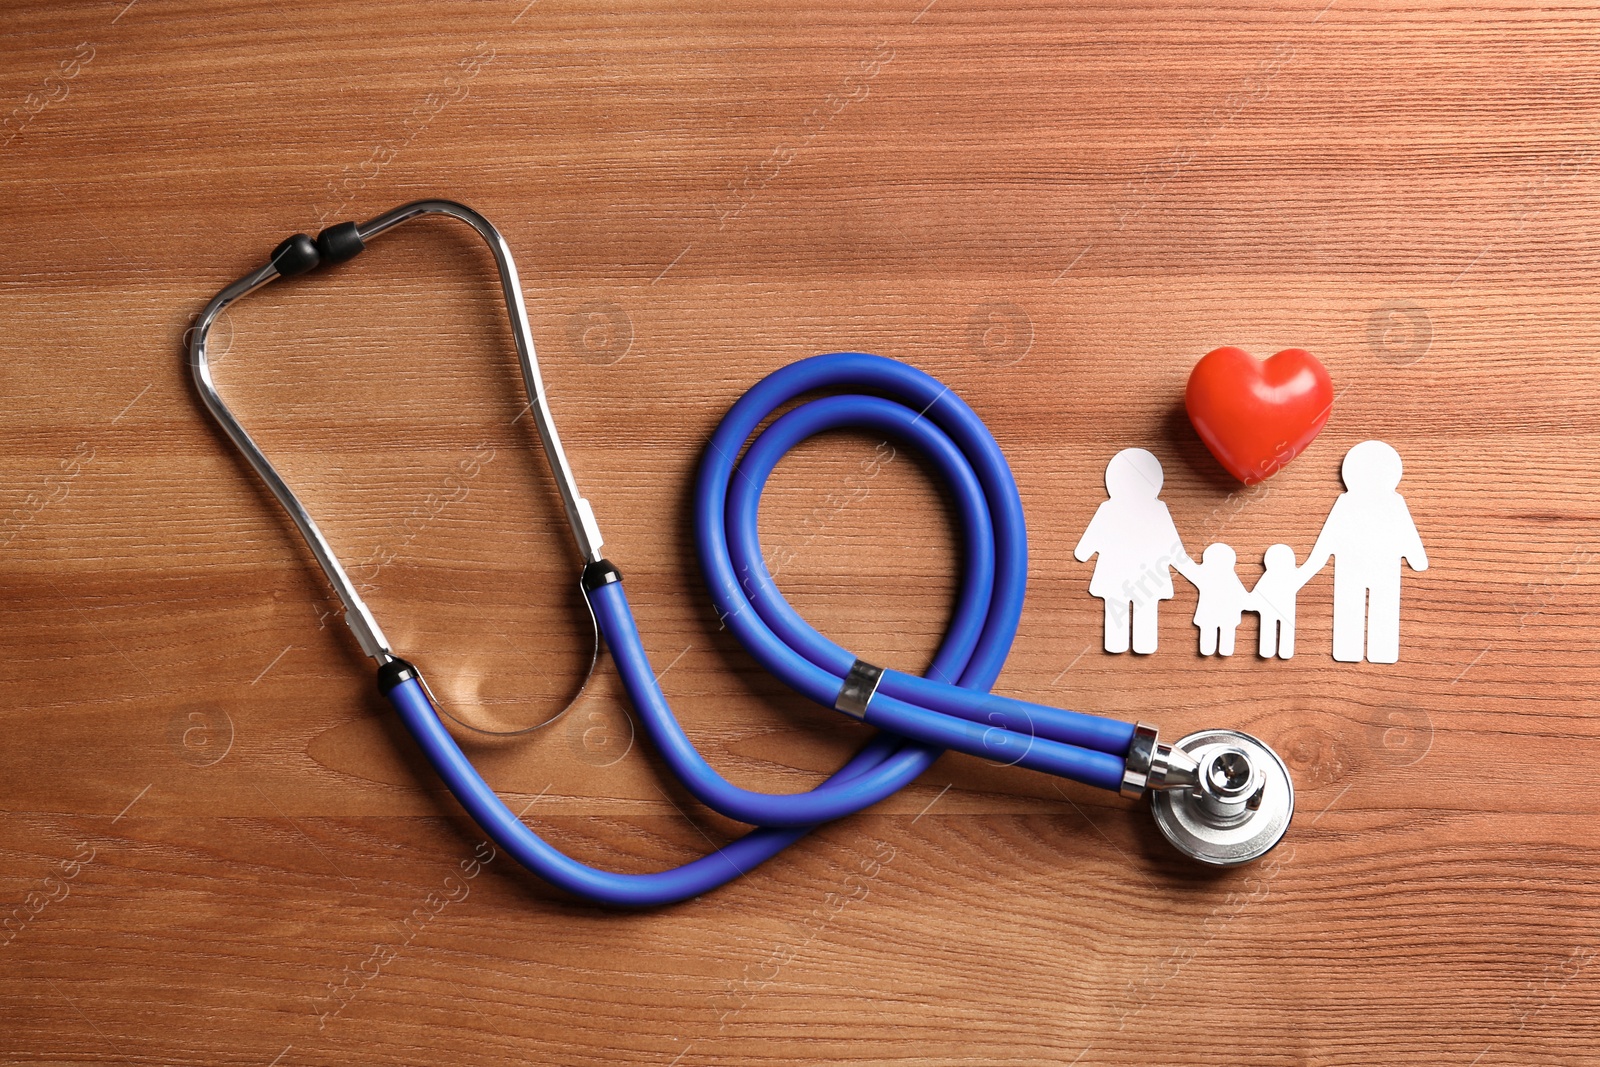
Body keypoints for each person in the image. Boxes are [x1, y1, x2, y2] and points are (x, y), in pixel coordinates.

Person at [1302, 441, 1428, 663]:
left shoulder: (1390, 502)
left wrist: (1314, 562)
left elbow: (1405, 530)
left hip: (1373, 566)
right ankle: (1354, 649)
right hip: (1361, 566)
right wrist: (1416, 559)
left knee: (1378, 606)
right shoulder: (1351, 501)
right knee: (1353, 606)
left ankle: (1373, 650)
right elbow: (1331, 533)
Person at [1075, 448, 1197, 654]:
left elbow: (1084, 549)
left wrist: (1084, 553)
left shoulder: (1109, 509)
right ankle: (1141, 644)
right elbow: (1173, 548)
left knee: (1119, 607)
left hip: (1116, 574)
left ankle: (1119, 643)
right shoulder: (1155, 510)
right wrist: (1193, 571)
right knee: (1143, 606)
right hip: (1149, 576)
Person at [1250, 543, 1322, 659]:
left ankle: (1273, 650)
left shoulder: (1273, 576)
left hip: (1275, 611)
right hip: (1276, 611)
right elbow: (1310, 569)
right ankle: (1272, 650)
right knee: (1274, 629)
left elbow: (1255, 595)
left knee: (1276, 629)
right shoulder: (1275, 577)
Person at [1189, 543, 1251, 656]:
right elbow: (1242, 595)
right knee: (1217, 631)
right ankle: (1214, 649)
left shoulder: (1207, 575)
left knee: (1220, 632)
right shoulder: (1213, 575)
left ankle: (1216, 649)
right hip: (1222, 615)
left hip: (1215, 614)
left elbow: (1189, 569)